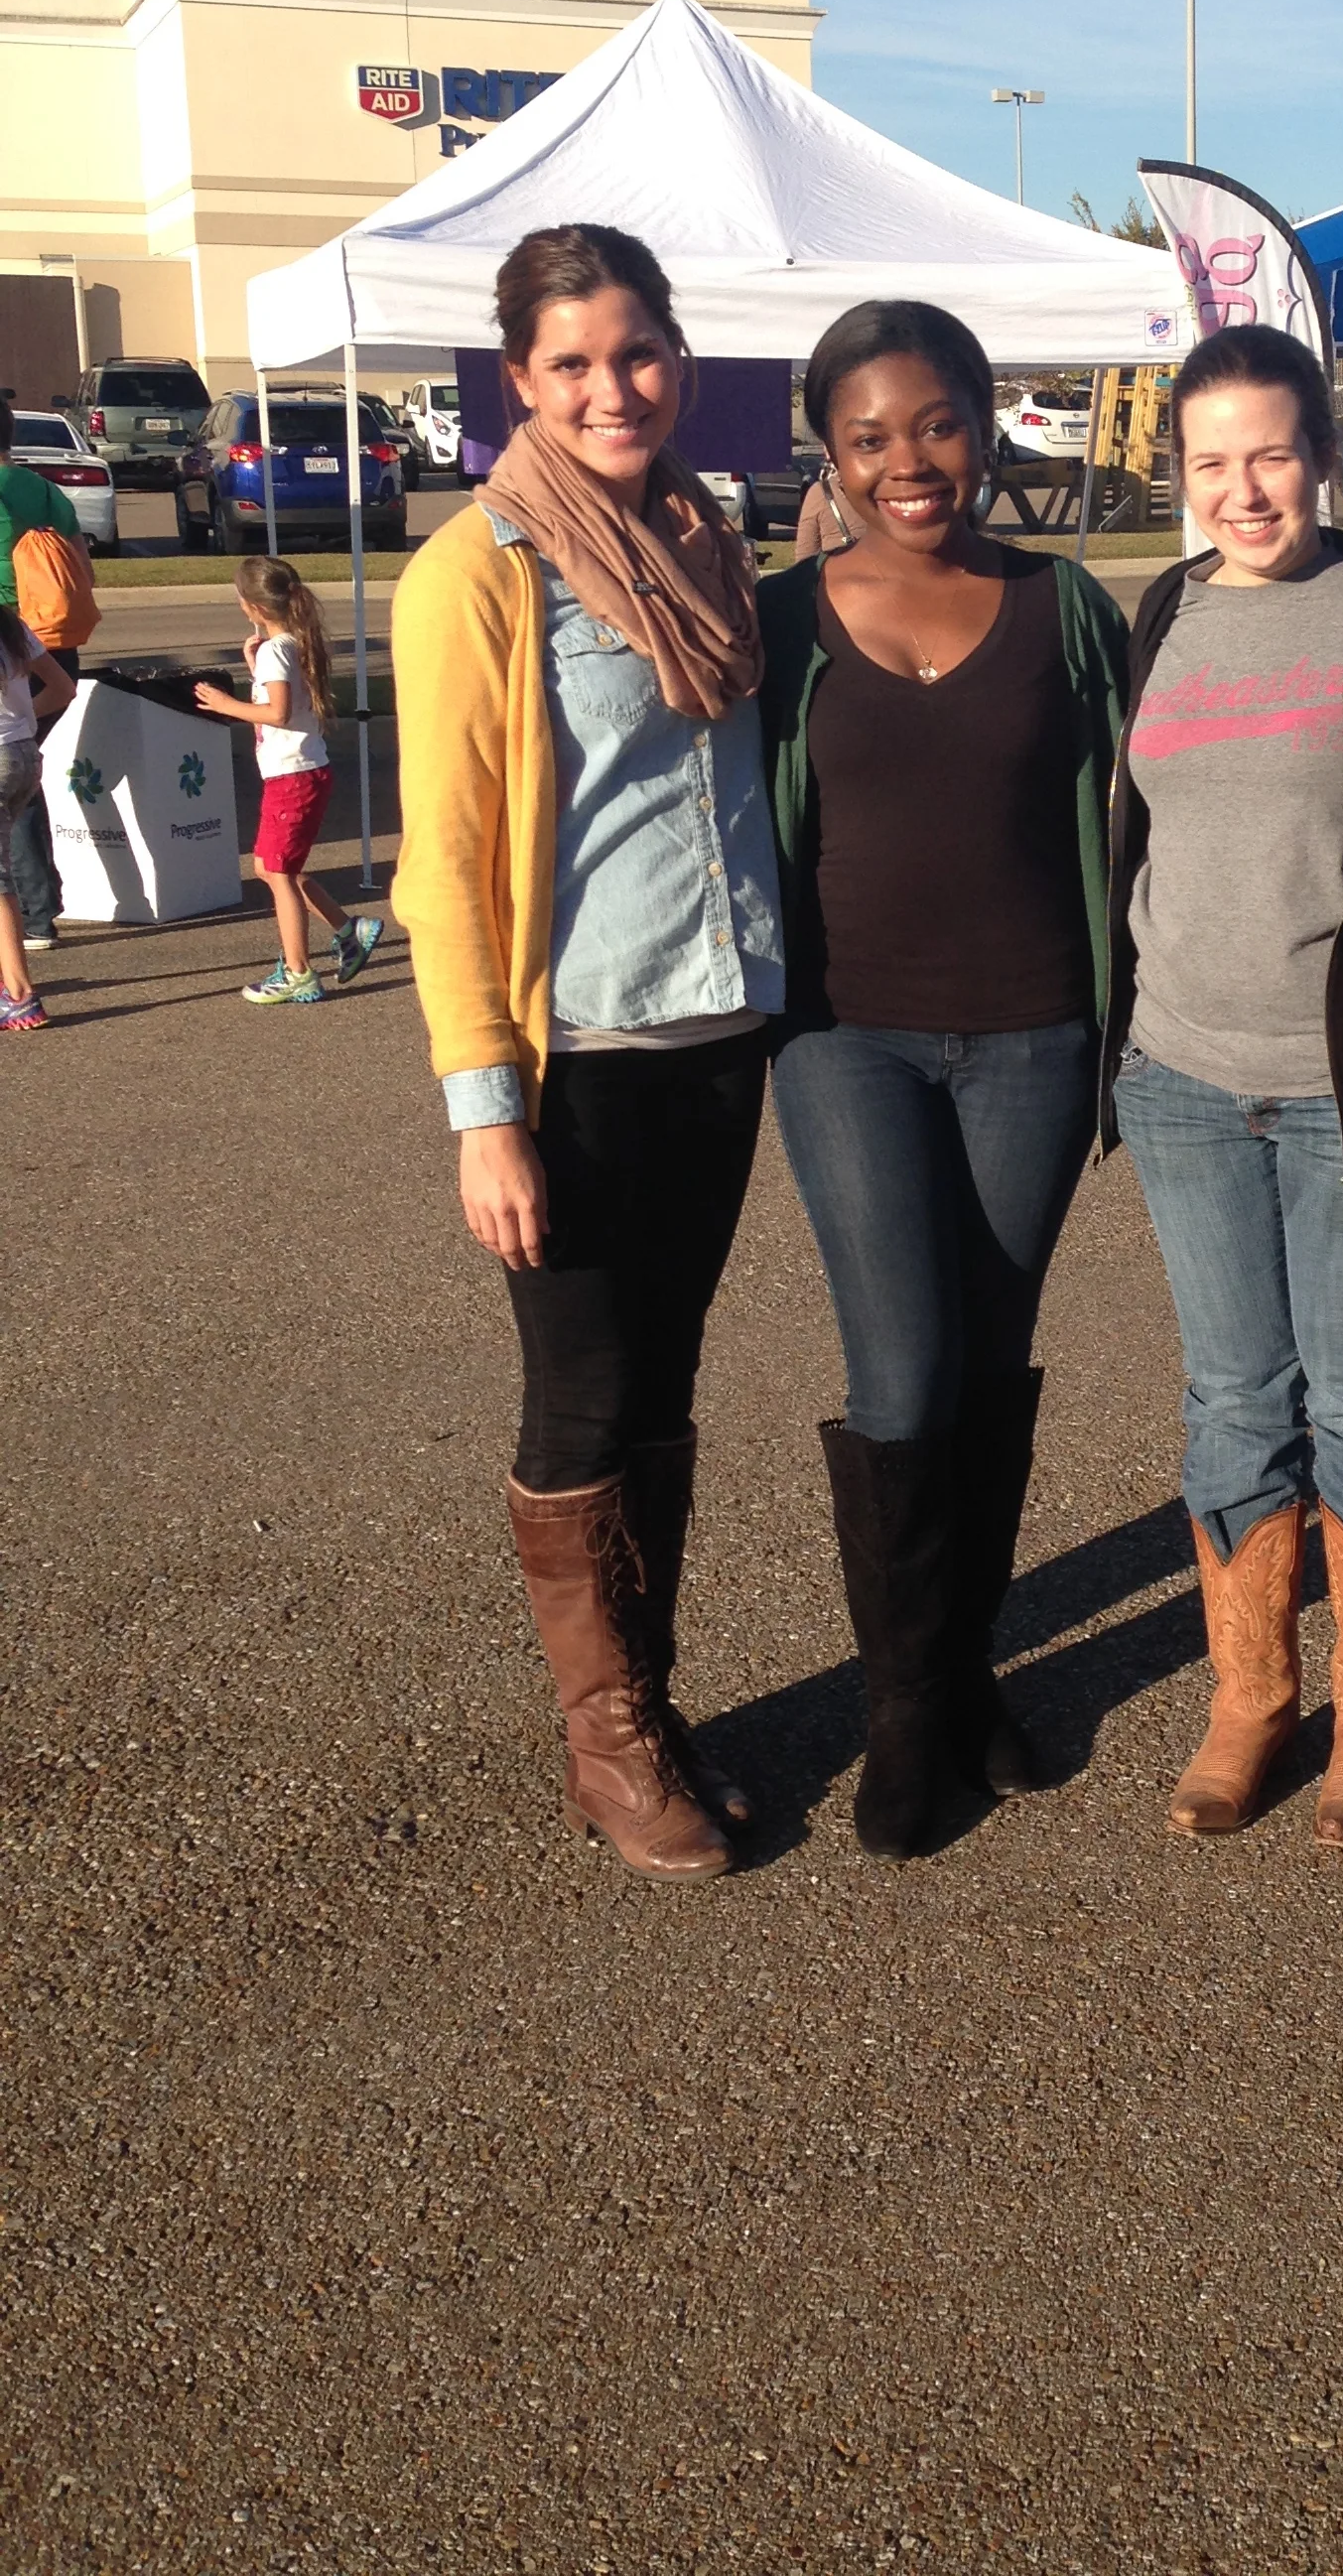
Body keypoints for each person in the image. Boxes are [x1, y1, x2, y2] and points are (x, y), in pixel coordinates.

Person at [393, 220, 779, 1883]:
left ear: (674, 358)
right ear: (520, 382)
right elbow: (445, 861)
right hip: (582, 1058)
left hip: (720, 1033)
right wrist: (486, 1110)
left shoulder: (703, 536)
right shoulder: (478, 568)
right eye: (572, 362)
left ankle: (653, 1694)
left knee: (670, 1387)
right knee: (584, 1391)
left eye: (634, 351)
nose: (611, 385)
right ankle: (604, 1733)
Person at [758, 299, 1129, 1862]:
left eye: (937, 424)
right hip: (849, 1039)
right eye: (869, 437)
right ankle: (907, 1713)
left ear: (986, 423)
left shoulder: (1067, 607)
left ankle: (966, 1676)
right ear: (828, 456)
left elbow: (1144, 805)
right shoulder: (780, 620)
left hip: (1035, 1036)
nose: (908, 462)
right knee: (903, 1374)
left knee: (991, 1366)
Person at [1103, 322, 1343, 1844]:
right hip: (1180, 1070)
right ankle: (1251, 1695)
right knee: (1235, 1399)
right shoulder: (1161, 611)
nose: (1246, 489)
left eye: (1274, 455)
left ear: (1328, 455)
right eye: (1212, 462)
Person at [192, 558, 384, 1003]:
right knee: (272, 867)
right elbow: (282, 700)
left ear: (251, 606)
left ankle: (298, 971)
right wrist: (251, 664)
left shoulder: (280, 650)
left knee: (277, 872)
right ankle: (349, 929)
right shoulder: (287, 645)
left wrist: (224, 704)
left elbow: (276, 713)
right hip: (295, 772)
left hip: (293, 775)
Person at [0, 392, 85, 954]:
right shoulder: (45, 490)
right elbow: (80, 563)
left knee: (12, 780)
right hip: (49, 639)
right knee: (21, 771)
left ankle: (32, 912)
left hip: (5, 638)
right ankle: (39, 903)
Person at [0, 597, 71, 1029]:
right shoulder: (12, 627)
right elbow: (64, 688)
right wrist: (23, 722)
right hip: (24, 754)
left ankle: (19, 991)